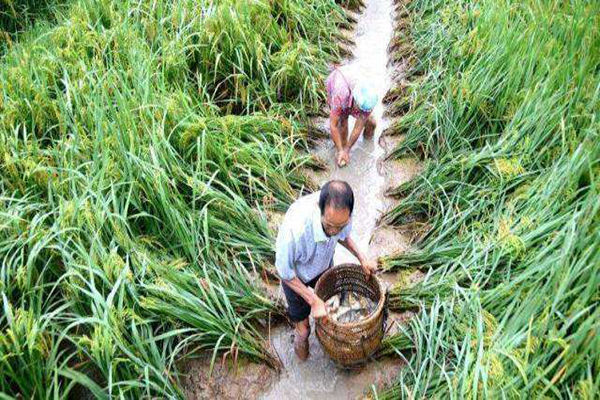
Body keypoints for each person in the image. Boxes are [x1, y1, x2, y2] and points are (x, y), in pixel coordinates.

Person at [275, 180, 377, 361]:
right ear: (319, 209)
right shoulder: (295, 231)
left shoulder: (342, 216)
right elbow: (284, 272)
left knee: (332, 308)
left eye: (340, 226)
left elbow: (342, 235)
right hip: (296, 277)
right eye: (329, 226)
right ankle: (302, 362)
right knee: (304, 330)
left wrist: (362, 258)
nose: (334, 231)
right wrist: (313, 300)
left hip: (323, 263)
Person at [326, 68, 378, 167]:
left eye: (364, 112)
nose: (362, 114)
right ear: (354, 101)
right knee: (342, 120)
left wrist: (348, 149)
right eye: (360, 110)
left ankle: (365, 141)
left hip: (351, 81)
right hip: (336, 81)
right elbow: (333, 125)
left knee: (371, 123)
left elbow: (358, 126)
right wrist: (341, 150)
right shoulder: (340, 96)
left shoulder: (370, 98)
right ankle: (341, 149)